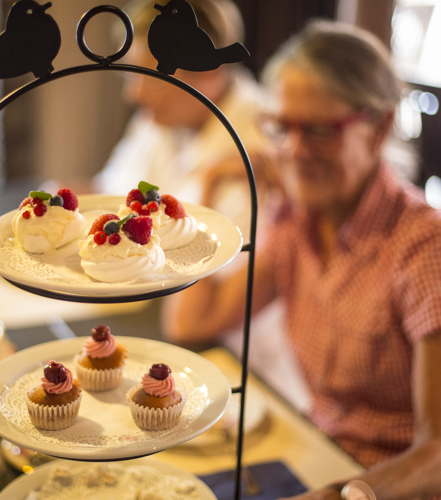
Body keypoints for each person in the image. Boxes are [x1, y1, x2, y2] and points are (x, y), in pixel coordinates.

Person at [164, 19, 441, 500]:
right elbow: (191, 321)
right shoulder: (296, 221)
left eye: (318, 130)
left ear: (380, 128)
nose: (293, 150)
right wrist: (207, 186)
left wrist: (344, 494)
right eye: (280, 128)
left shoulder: (423, 247)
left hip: (383, 485)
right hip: (316, 451)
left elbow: (437, 451)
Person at [94, 0, 275, 236]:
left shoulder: (262, 141)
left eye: (151, 78)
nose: (134, 94)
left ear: (208, 70)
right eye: (131, 75)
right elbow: (107, 191)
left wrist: (211, 177)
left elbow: (216, 260)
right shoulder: (158, 117)